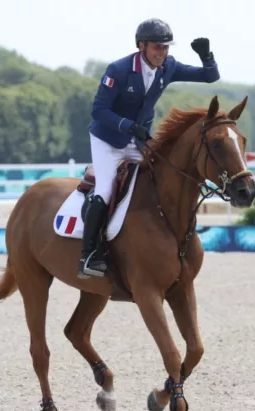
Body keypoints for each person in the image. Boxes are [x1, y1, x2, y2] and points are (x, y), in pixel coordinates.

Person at [78, 18, 220, 279]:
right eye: (157, 47)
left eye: (166, 48)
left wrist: (207, 57)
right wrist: (129, 126)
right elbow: (98, 111)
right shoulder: (118, 70)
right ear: (141, 45)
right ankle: (89, 254)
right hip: (108, 140)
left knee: (161, 177)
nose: (162, 53)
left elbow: (210, 77)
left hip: (139, 139)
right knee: (106, 188)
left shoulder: (168, 67)